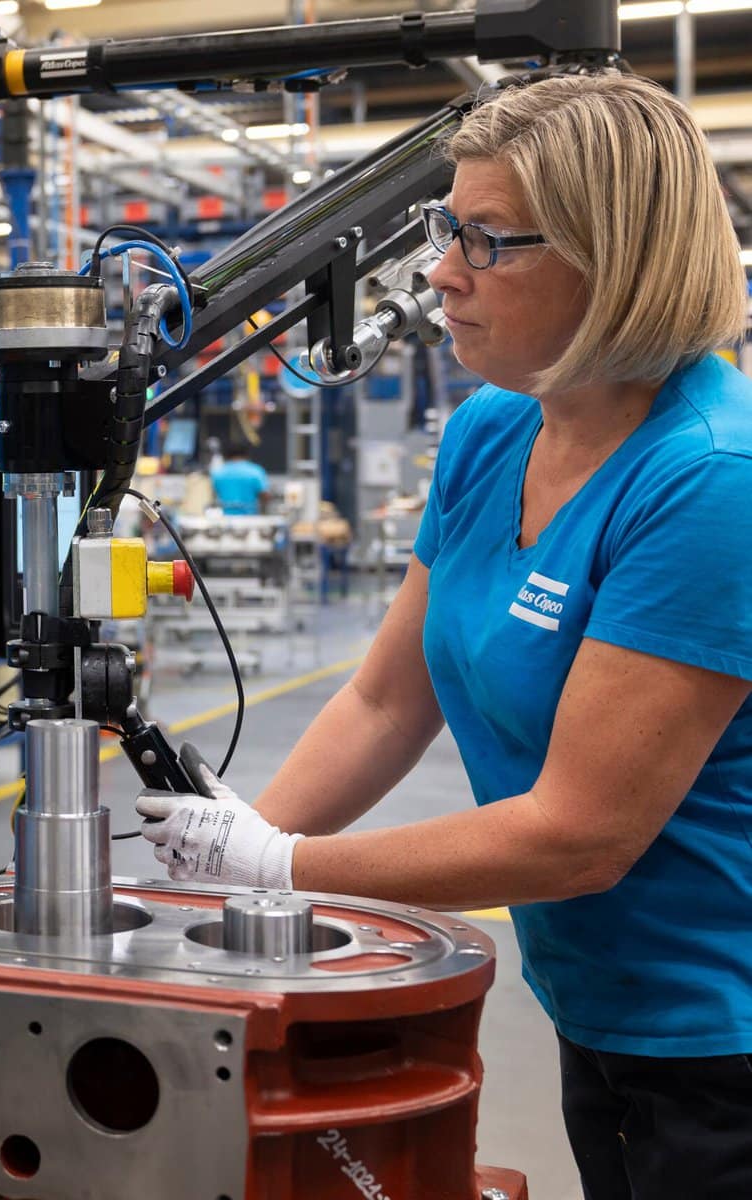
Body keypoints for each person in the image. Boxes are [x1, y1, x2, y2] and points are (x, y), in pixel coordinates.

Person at [138, 71, 752, 1198]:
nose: (439, 271)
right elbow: (386, 699)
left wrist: (285, 869)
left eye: (486, 241)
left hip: (719, 1039)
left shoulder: (708, 479)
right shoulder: (488, 432)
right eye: (441, 226)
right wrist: (231, 855)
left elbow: (578, 835)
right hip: (594, 997)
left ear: (612, 260)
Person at [208, 439, 269, 515]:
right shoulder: (256, 471)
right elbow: (264, 496)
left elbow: (212, 495)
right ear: (247, 454)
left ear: (226, 455)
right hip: (251, 519)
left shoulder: (217, 472)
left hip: (225, 519)